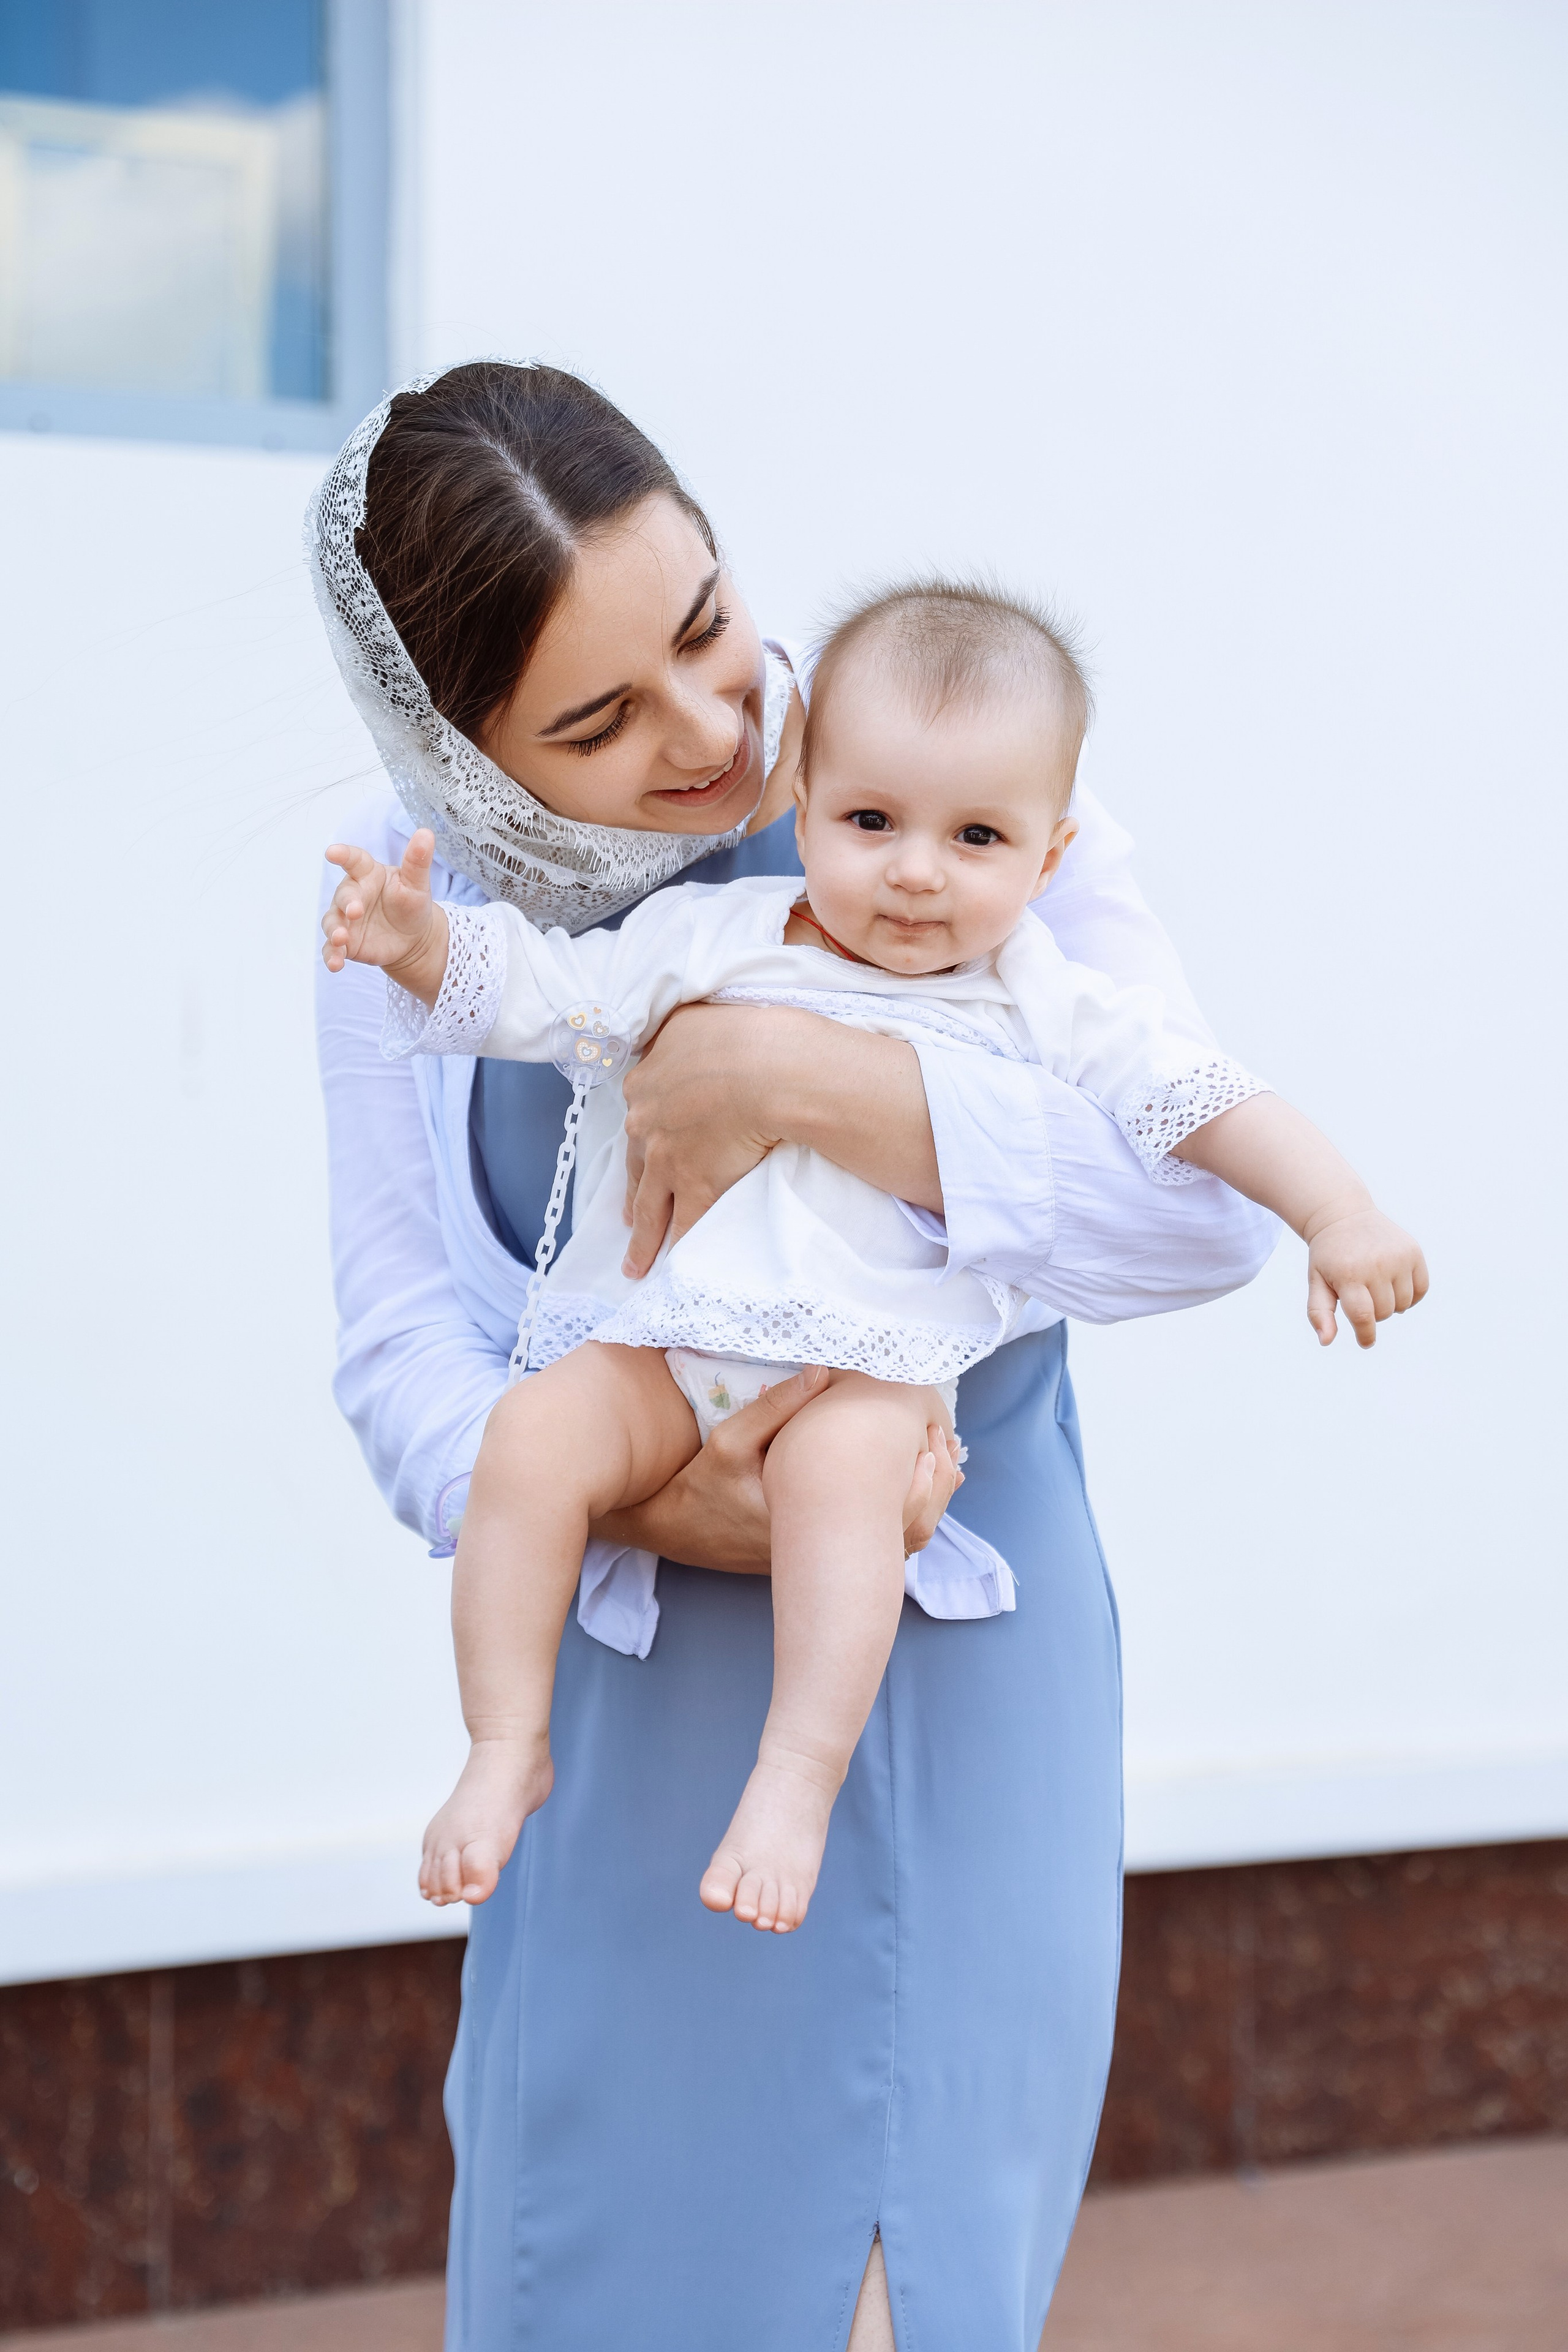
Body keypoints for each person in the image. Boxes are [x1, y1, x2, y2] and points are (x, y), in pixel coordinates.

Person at [312, 361, 1294, 2350]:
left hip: (944, 1648)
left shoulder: (949, 796)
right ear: (464, 748)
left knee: (892, 2282)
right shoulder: (422, 906)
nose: (709, 732)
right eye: (594, 720)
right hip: (608, 1698)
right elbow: (406, 1335)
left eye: (704, 626)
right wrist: (668, 1499)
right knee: (589, 2261)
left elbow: (1201, 1213)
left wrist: (809, 1076)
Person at [320, 576, 1425, 1944]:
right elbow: (547, 998)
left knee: (843, 1489)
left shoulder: (1038, 989)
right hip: (668, 1344)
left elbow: (1198, 1100)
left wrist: (1340, 1212)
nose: (914, 871)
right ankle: (502, 1742)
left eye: (974, 837)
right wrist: (423, 948)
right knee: (534, 1438)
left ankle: (794, 1780)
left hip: (861, 1367)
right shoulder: (713, 936)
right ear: (804, 810)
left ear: (1048, 852)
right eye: (868, 823)